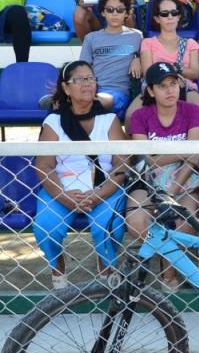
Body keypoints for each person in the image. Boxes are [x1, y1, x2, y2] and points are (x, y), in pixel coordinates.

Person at [32, 60, 129, 291]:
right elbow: (44, 167)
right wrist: (64, 196)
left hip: (104, 188)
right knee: (45, 227)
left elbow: (122, 165)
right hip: (63, 189)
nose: (87, 84)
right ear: (66, 88)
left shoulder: (110, 120)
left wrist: (98, 194)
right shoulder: (53, 122)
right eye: (79, 80)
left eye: (91, 78)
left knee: (108, 226)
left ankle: (106, 265)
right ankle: (57, 266)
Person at [125, 62, 199, 293]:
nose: (170, 90)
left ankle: (168, 269)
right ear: (150, 91)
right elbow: (144, 160)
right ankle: (169, 261)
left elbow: (194, 158)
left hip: (185, 180)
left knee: (188, 221)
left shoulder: (192, 111)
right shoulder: (141, 116)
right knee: (136, 221)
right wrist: (183, 150)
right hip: (148, 181)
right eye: (162, 86)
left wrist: (171, 192)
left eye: (174, 84)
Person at [135, 0, 199, 118]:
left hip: (184, 88)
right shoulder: (147, 43)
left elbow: (194, 73)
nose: (170, 17)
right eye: (164, 14)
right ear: (157, 18)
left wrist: (174, 70)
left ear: (179, 16)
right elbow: (148, 72)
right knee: (130, 117)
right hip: (155, 88)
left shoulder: (190, 43)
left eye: (174, 13)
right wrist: (174, 73)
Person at [75, 0, 143, 115]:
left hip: (118, 94)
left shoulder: (137, 36)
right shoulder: (91, 38)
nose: (115, 14)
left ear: (127, 13)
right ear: (102, 12)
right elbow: (83, 68)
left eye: (120, 10)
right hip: (92, 88)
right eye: (110, 10)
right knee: (86, 97)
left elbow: (147, 56)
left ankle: (68, 102)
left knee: (98, 100)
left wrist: (137, 58)